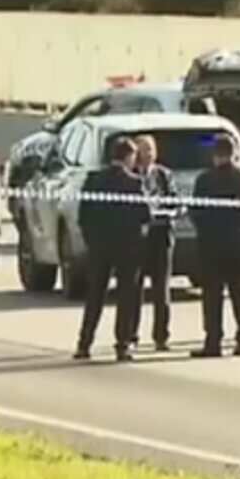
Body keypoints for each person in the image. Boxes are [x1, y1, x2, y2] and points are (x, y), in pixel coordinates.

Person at [74, 137, 150, 362]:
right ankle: (122, 345)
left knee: (95, 295)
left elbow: (83, 216)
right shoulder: (134, 183)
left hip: (99, 246)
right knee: (126, 297)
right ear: (129, 157)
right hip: (127, 248)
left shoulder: (93, 180)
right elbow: (145, 214)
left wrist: (91, 241)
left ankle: (84, 343)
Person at [189, 136, 240, 358]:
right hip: (239, 244)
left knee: (212, 295)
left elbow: (196, 212)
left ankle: (213, 341)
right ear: (233, 153)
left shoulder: (205, 180)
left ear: (214, 155)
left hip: (212, 245)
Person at [130, 134, 178, 352]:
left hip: (161, 237)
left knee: (161, 290)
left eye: (150, 149)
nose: (147, 154)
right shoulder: (130, 177)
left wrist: (166, 210)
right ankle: (131, 335)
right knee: (134, 290)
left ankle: (161, 336)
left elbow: (174, 201)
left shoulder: (164, 175)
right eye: (142, 150)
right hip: (137, 240)